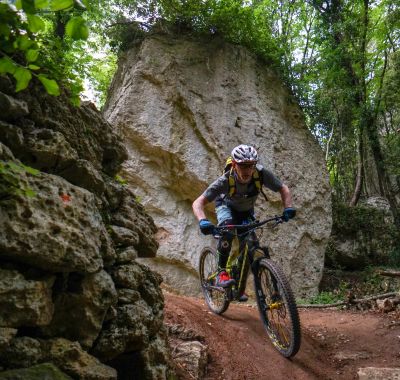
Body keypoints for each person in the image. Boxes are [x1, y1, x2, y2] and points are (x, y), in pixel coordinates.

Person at [192, 144, 296, 301]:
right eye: (243, 166)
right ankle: (221, 273)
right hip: (225, 207)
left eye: (250, 165)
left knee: (251, 245)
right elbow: (198, 202)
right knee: (227, 231)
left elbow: (283, 189)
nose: (247, 170)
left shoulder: (261, 174)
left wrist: (288, 208)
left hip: (246, 212)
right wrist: (203, 220)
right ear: (234, 164)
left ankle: (238, 287)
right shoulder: (225, 181)